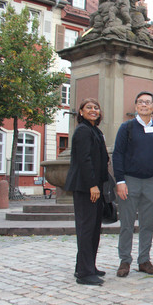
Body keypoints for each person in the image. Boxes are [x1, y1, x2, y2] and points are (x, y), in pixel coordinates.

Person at [113, 91, 153, 277]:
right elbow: (118, 155)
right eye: (140, 102)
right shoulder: (127, 128)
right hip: (130, 181)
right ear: (136, 106)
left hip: (152, 183)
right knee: (127, 223)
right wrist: (120, 180)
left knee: (147, 223)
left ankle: (144, 260)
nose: (144, 105)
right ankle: (125, 261)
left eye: (148, 102)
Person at [64, 99, 109, 286]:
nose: (93, 110)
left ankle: (86, 265)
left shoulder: (94, 130)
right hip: (86, 187)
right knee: (87, 229)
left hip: (94, 185)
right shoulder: (83, 131)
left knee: (93, 229)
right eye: (88, 108)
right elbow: (84, 160)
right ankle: (84, 273)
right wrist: (92, 185)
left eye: (96, 108)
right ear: (80, 112)